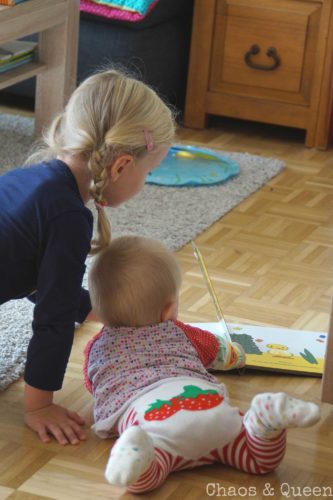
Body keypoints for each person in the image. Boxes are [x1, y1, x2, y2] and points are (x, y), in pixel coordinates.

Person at [0, 69, 175, 446]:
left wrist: (100, 308)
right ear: (122, 166)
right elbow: (53, 318)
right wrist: (38, 406)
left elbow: (36, 274)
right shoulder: (68, 216)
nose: (144, 183)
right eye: (149, 172)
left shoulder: (34, 181)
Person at [84, 236, 320, 494]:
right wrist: (238, 355)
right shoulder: (180, 331)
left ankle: (136, 448)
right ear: (168, 310)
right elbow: (221, 353)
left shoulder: (96, 349)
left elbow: (94, 384)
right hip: (206, 402)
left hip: (150, 422)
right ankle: (263, 418)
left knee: (145, 479)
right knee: (258, 459)